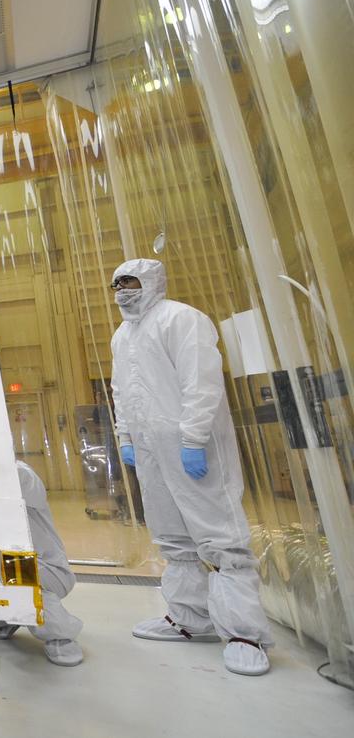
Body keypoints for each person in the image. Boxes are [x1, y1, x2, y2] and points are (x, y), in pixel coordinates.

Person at [109, 258, 272, 676]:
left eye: (129, 282)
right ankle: (190, 618)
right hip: (149, 449)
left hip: (189, 444)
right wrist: (126, 437)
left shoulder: (181, 319)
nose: (122, 291)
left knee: (220, 535)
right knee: (172, 535)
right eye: (117, 285)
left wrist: (193, 439)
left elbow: (201, 382)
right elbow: (121, 391)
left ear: (150, 282)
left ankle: (244, 635)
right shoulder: (122, 336)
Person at [0, 430, 84, 667]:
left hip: (46, 569)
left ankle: (60, 636)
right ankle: (3, 620)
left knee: (15, 572)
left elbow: (21, 481)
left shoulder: (20, 474)